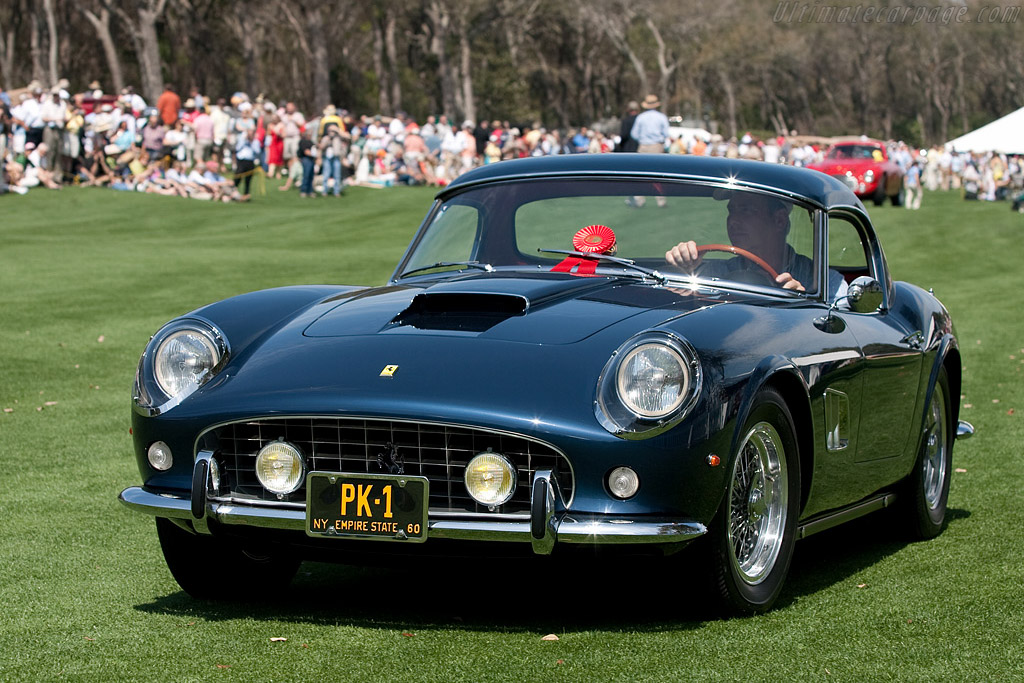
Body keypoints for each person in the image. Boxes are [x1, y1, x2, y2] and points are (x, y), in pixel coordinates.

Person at [665, 191, 847, 300]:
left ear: (779, 220)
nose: (733, 221)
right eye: (731, 211)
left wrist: (804, 308)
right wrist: (680, 271)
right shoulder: (714, 274)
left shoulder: (825, 283)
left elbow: (844, 337)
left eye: (746, 210)